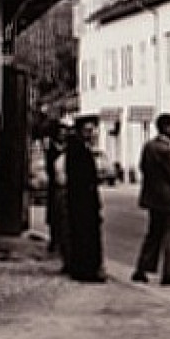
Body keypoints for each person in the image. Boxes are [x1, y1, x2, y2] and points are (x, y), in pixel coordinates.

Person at [132, 113, 170, 285]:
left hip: (153, 199)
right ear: (167, 127)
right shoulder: (166, 150)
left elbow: (143, 168)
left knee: (153, 235)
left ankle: (142, 268)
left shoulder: (148, 147)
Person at [61, 116, 107, 282]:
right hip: (82, 202)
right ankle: (86, 270)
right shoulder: (77, 150)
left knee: (86, 235)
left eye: (92, 130)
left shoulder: (81, 148)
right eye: (88, 130)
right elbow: (80, 179)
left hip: (84, 200)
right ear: (80, 131)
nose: (91, 133)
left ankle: (86, 268)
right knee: (84, 236)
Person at [43, 121, 69, 257]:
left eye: (65, 133)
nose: (63, 136)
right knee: (55, 213)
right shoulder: (52, 148)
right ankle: (54, 240)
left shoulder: (68, 148)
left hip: (65, 184)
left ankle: (62, 241)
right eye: (61, 133)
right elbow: (49, 167)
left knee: (63, 215)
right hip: (55, 184)